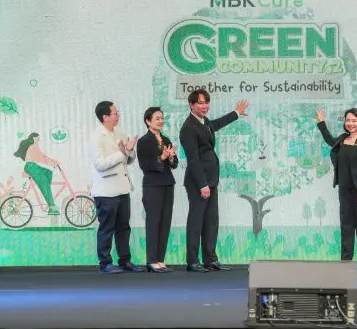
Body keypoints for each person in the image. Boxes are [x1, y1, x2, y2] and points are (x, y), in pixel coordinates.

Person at [179, 89, 249, 273]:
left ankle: (210, 259)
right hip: (198, 182)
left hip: (211, 180)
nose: (205, 106)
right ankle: (193, 261)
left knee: (211, 220)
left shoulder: (204, 121)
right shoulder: (188, 127)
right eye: (201, 103)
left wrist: (236, 113)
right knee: (196, 221)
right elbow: (193, 159)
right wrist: (202, 184)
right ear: (192, 105)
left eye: (206, 102)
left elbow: (217, 124)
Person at [316, 107, 357, 273]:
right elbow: (330, 140)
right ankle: (346, 260)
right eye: (348, 120)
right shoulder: (343, 139)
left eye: (354, 121)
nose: (350, 123)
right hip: (344, 188)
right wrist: (321, 122)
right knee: (346, 225)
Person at [88, 101, 144, 274]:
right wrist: (122, 153)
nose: (118, 115)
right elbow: (100, 164)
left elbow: (128, 159)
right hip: (106, 191)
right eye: (115, 113)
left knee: (124, 227)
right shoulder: (97, 136)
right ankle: (105, 263)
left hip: (122, 188)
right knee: (106, 228)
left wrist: (130, 150)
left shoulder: (120, 132)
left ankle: (125, 261)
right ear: (105, 117)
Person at [137, 107, 178, 273]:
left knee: (165, 221)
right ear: (148, 121)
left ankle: (160, 259)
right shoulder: (144, 141)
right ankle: (152, 260)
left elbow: (174, 164)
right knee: (153, 222)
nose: (161, 121)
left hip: (168, 183)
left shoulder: (166, 139)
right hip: (152, 185)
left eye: (162, 118)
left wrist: (172, 157)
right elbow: (145, 165)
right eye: (157, 118)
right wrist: (161, 157)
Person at [13, 133, 61, 216]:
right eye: (37, 138)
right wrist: (54, 162)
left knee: (48, 173)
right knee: (44, 183)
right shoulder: (33, 147)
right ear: (33, 138)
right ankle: (51, 207)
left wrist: (53, 162)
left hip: (32, 166)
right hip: (31, 167)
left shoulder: (33, 146)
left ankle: (47, 194)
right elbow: (42, 157)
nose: (38, 140)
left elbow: (42, 157)